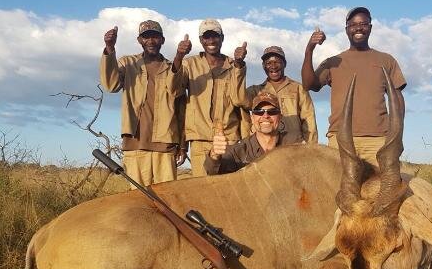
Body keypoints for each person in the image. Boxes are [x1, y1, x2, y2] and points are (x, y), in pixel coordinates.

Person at [301, 6, 406, 167]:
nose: (358, 28)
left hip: (378, 140)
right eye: (353, 24)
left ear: (370, 27)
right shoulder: (334, 62)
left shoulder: (386, 60)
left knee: (383, 189)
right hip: (341, 139)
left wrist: (396, 137)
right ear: (346, 29)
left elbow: (397, 98)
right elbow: (309, 85)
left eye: (363, 24)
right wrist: (309, 49)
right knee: (340, 189)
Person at [100, 20, 186, 188]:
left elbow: (181, 107)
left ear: (162, 40)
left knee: (167, 200)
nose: (151, 41)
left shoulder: (173, 67)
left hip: (165, 145)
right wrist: (110, 48)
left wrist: (182, 146)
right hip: (135, 145)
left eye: (155, 37)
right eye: (146, 37)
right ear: (139, 40)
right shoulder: (128, 63)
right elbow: (111, 85)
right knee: (137, 200)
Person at [171, 18, 251, 177]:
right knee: (203, 191)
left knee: (229, 190)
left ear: (222, 38)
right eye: (206, 37)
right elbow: (174, 90)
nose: (211, 40)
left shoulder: (233, 64)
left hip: (229, 139)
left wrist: (239, 65)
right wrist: (179, 56)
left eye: (215, 36)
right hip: (201, 140)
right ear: (201, 40)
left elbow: (240, 99)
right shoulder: (189, 64)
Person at [204, 92, 302, 175]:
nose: (265, 116)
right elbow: (213, 173)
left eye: (272, 111)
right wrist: (214, 155)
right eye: (259, 112)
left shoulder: (294, 147)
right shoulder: (239, 151)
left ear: (280, 117)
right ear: (252, 118)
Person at [246, 46, 318, 144]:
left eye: (277, 62)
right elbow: (238, 100)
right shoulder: (255, 90)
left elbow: (309, 119)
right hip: (264, 146)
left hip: (292, 145)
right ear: (263, 66)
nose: (273, 66)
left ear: (284, 64)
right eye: (268, 63)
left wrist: (311, 147)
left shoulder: (298, 88)